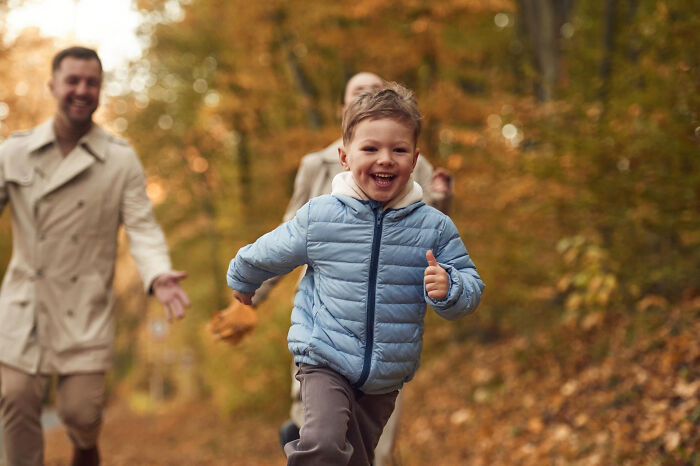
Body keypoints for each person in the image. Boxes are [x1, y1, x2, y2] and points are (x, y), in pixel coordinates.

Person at [228, 82, 484, 466]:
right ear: (345, 157)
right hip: (324, 357)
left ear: (414, 161)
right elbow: (271, 250)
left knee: (359, 460)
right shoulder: (322, 216)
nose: (385, 159)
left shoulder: (434, 227)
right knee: (325, 444)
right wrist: (242, 280)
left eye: (398, 150)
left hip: (385, 375)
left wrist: (450, 287)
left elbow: (470, 283)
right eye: (370, 149)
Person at [0, 46, 190, 466]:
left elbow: (142, 227)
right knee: (14, 401)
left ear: (100, 89)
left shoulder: (119, 160)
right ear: (53, 85)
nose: (81, 90)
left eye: (91, 82)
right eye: (73, 81)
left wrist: (158, 274)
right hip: (23, 304)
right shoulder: (15, 152)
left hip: (84, 307)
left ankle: (86, 445)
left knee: (80, 412)